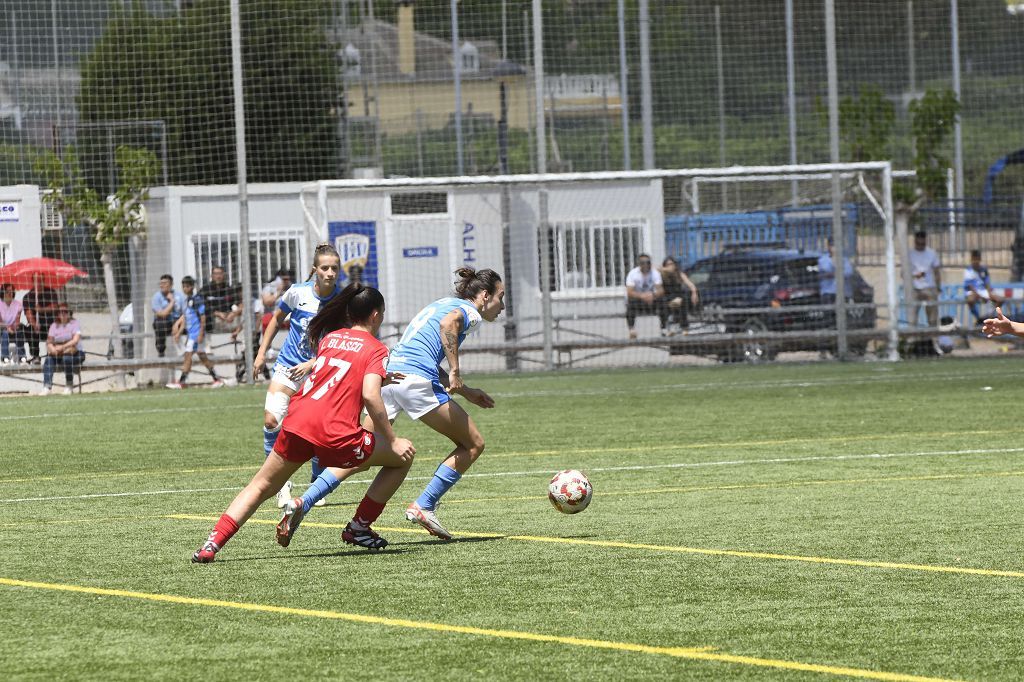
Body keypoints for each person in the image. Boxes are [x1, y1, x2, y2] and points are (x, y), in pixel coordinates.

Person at [191, 284, 416, 563]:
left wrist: (380, 375)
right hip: (336, 434)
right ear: (374, 315)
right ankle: (359, 527)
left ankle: (211, 544)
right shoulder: (377, 348)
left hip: (298, 423)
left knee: (260, 485)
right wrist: (393, 439)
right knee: (402, 456)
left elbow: (337, 371)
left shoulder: (330, 338)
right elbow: (370, 394)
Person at [298, 267, 504, 541]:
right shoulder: (469, 312)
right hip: (416, 381)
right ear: (485, 295)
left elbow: (427, 349)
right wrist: (455, 371)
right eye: (501, 297)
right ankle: (424, 505)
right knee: (474, 444)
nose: (502, 306)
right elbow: (448, 326)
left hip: (390, 376)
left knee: (359, 453)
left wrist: (464, 391)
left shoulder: (442, 303)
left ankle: (306, 502)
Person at [253, 245, 342, 508]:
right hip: (288, 366)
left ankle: (317, 483)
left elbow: (339, 343)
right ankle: (280, 483)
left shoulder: (342, 302)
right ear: (315, 270)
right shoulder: (298, 293)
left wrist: (313, 363)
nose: (330, 273)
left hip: (321, 371)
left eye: (334, 268)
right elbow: (275, 318)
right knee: (271, 421)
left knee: (318, 430)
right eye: (324, 268)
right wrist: (261, 353)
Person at [167, 276, 223, 389]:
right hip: (191, 334)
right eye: (183, 286)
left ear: (192, 287)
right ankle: (216, 379)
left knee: (188, 355)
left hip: (196, 334)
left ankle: (181, 382)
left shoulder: (197, 299)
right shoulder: (187, 300)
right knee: (202, 357)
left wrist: (201, 333)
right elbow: (187, 318)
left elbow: (203, 317)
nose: (185, 288)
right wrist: (179, 331)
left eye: (187, 286)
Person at [40, 304, 84, 396]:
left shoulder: (74, 323)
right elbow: (49, 341)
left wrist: (62, 347)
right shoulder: (53, 325)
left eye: (65, 312)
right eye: (60, 312)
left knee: (66, 359)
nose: (63, 314)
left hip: (75, 353)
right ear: (57, 314)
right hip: (58, 353)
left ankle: (69, 385)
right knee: (48, 360)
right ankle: (47, 387)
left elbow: (75, 340)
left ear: (69, 313)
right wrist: (52, 348)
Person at [625, 254, 669, 339]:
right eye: (643, 263)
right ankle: (631, 330)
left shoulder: (655, 273)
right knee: (630, 302)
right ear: (639, 264)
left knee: (663, 301)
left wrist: (652, 295)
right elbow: (629, 292)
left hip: (651, 300)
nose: (645, 265)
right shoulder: (633, 274)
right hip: (638, 301)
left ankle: (664, 329)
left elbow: (661, 290)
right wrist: (642, 296)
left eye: (648, 262)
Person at [963, 249, 1005, 326]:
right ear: (971, 259)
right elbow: (970, 286)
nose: (976, 261)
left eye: (977, 259)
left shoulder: (983, 269)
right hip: (972, 291)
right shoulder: (968, 270)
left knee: (1000, 299)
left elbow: (987, 282)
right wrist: (980, 296)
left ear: (980, 259)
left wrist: (989, 293)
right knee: (970, 300)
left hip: (983, 290)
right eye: (974, 259)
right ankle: (978, 318)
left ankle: (989, 317)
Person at [909, 230, 941, 328]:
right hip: (914, 288)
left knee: (932, 318)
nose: (921, 245)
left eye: (923, 243)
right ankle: (912, 340)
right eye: (918, 243)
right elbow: (903, 274)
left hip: (929, 287)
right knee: (912, 317)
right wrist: (915, 276)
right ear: (915, 242)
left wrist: (938, 287)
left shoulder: (932, 253)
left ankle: (934, 339)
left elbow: (936, 271)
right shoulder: (910, 254)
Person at [200, 265, 244, 335]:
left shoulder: (229, 289)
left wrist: (233, 314)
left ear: (224, 275)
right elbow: (200, 306)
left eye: (220, 273)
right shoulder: (205, 290)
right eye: (216, 274)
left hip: (229, 319)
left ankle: (237, 337)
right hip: (213, 321)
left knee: (245, 316)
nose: (218, 276)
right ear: (212, 276)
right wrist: (217, 313)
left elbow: (240, 304)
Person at [660, 257, 699, 333]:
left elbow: (691, 285)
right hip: (668, 299)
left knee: (683, 301)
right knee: (668, 304)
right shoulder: (661, 274)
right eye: (668, 264)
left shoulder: (679, 274)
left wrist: (694, 293)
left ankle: (683, 327)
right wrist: (666, 270)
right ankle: (666, 328)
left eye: (672, 264)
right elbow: (654, 268)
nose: (670, 266)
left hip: (679, 298)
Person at [22, 279, 58, 363]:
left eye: (41, 280)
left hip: (50, 324)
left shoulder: (51, 293)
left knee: (54, 328)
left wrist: (41, 309)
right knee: (30, 329)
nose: (39, 282)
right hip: (37, 327)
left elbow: (55, 306)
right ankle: (36, 356)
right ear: (33, 281)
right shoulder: (28, 296)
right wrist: (34, 324)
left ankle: (52, 355)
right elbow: (28, 313)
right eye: (37, 280)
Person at [151, 274, 184, 358]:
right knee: (159, 323)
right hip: (164, 322)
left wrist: (177, 324)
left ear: (171, 284)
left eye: (165, 283)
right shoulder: (157, 297)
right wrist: (172, 302)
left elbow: (186, 312)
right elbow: (162, 314)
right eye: (161, 283)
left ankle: (189, 350)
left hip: (178, 321)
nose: (162, 285)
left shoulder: (179, 295)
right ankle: (161, 352)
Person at [817, 238, 854, 305]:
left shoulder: (845, 259)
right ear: (828, 247)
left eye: (836, 245)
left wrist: (836, 272)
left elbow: (848, 272)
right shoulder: (823, 260)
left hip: (844, 292)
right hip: (828, 292)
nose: (834, 248)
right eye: (832, 245)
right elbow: (827, 271)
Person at [0, 284, 27, 364]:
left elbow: (17, 320)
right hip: (2, 327)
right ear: (3, 292)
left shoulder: (18, 304)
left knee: (19, 332)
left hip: (14, 327)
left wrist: (13, 328)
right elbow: (0, 321)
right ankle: (5, 357)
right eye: (7, 291)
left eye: (11, 291)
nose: (10, 293)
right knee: (4, 333)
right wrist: (7, 328)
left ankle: (22, 357)